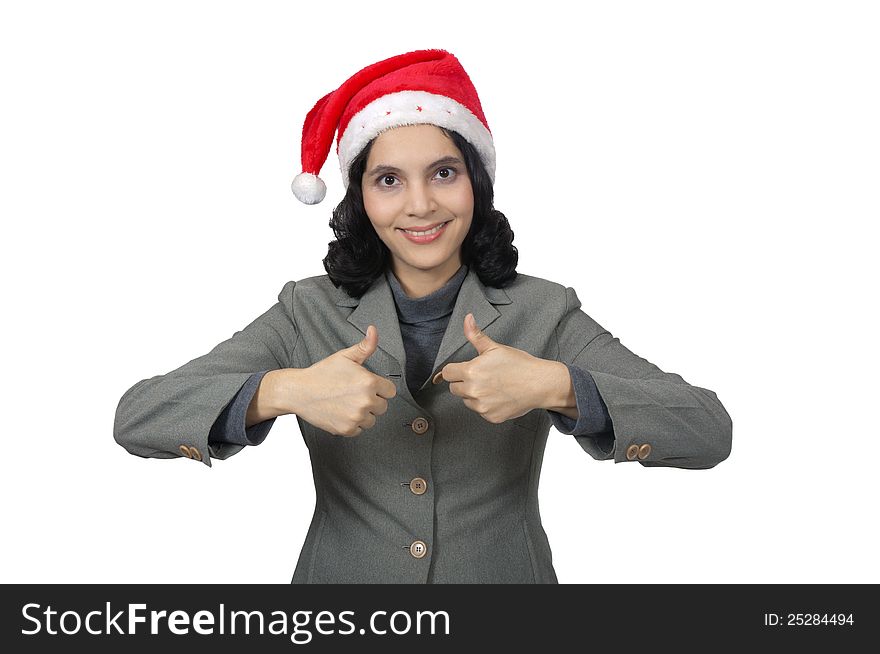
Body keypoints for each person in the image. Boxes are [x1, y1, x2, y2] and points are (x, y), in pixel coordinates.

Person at [114, 48, 732, 584]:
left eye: (443, 173)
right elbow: (138, 415)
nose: (420, 205)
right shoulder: (306, 310)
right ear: (359, 197)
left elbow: (708, 428)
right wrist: (284, 390)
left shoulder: (545, 310)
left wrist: (556, 385)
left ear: (476, 183)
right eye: (388, 180)